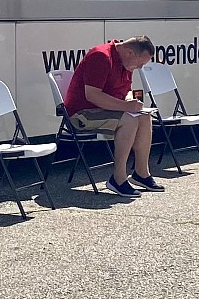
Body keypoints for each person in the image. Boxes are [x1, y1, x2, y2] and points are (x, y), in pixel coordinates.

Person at [61, 36, 161, 196]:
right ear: (129, 53)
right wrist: (127, 107)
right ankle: (118, 178)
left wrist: (130, 101)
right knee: (129, 119)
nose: (140, 68)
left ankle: (141, 173)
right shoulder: (101, 56)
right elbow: (92, 95)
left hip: (104, 111)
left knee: (144, 116)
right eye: (140, 63)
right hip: (81, 115)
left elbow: (125, 91)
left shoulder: (125, 62)